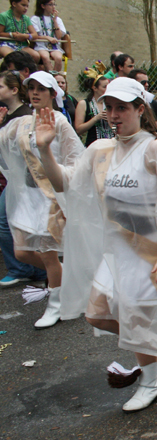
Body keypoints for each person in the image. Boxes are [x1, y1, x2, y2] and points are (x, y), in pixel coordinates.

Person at [34, 77, 157, 411]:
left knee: (136, 319)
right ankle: (151, 355)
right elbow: (66, 185)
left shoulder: (154, 148)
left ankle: (150, 380)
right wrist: (44, 149)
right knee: (96, 315)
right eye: (108, 107)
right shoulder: (100, 151)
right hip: (116, 250)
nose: (113, 115)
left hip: (150, 251)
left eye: (122, 108)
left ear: (140, 109)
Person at [0, 71, 83, 327]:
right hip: (29, 197)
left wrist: (65, 186)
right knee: (22, 251)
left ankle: (57, 304)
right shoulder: (22, 122)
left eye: (41, 89)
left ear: (52, 93)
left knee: (47, 254)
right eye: (32, 87)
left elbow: (76, 159)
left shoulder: (59, 121)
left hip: (51, 197)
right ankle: (68, 275)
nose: (35, 92)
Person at [0, 69, 45, 287]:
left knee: (9, 224)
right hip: (15, 179)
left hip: (29, 182)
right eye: (33, 89)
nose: (35, 93)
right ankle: (35, 269)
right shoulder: (9, 115)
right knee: (16, 229)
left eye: (1, 86)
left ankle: (30, 270)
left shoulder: (26, 116)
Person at [74, 73, 112, 147]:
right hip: (93, 146)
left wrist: (111, 120)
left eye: (109, 86)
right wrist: (96, 118)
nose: (107, 89)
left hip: (111, 144)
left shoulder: (111, 103)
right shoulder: (84, 104)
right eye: (104, 87)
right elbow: (78, 130)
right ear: (95, 88)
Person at [30, 0, 63, 71]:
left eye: (54, 4)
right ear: (43, 6)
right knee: (45, 57)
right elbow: (35, 36)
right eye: (50, 5)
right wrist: (47, 37)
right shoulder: (35, 19)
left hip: (54, 46)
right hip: (41, 46)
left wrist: (55, 21)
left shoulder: (58, 20)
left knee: (58, 58)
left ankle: (55, 77)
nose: (53, 7)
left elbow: (59, 36)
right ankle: (50, 76)